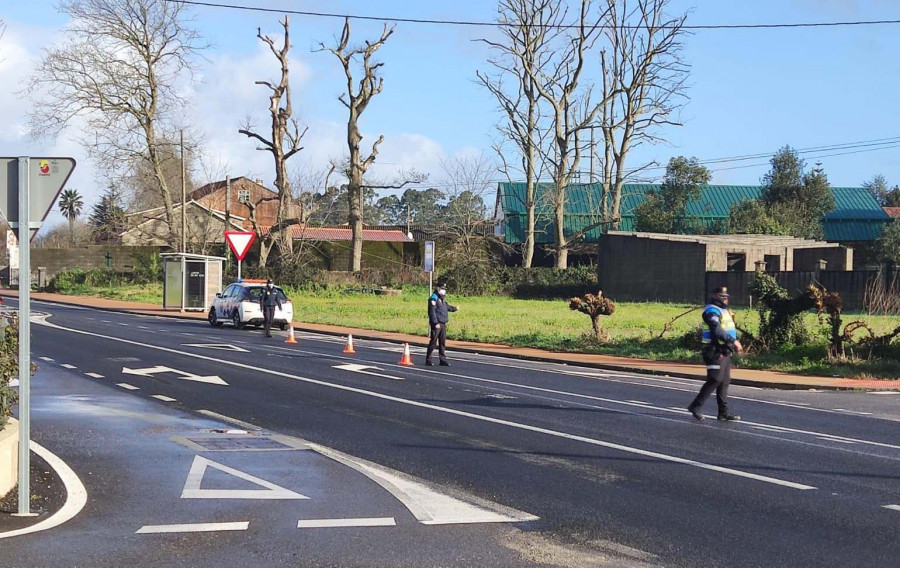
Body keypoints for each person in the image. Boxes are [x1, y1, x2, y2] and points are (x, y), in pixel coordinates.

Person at [688, 286, 743, 422]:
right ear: (715, 296)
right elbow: (716, 330)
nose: (725, 299)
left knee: (724, 382)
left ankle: (723, 413)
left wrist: (731, 344)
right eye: (722, 296)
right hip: (714, 350)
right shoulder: (711, 310)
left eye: (726, 296)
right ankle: (695, 406)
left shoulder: (724, 311)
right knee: (715, 379)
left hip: (725, 350)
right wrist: (733, 341)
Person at [426, 282, 458, 366]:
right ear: (437, 288)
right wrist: (435, 322)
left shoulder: (442, 299)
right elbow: (431, 312)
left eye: (444, 289)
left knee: (442, 342)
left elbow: (446, 307)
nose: (444, 291)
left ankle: (442, 359)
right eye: (442, 289)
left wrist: (455, 309)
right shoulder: (433, 298)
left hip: (443, 323)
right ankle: (428, 359)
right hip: (437, 324)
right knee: (433, 342)